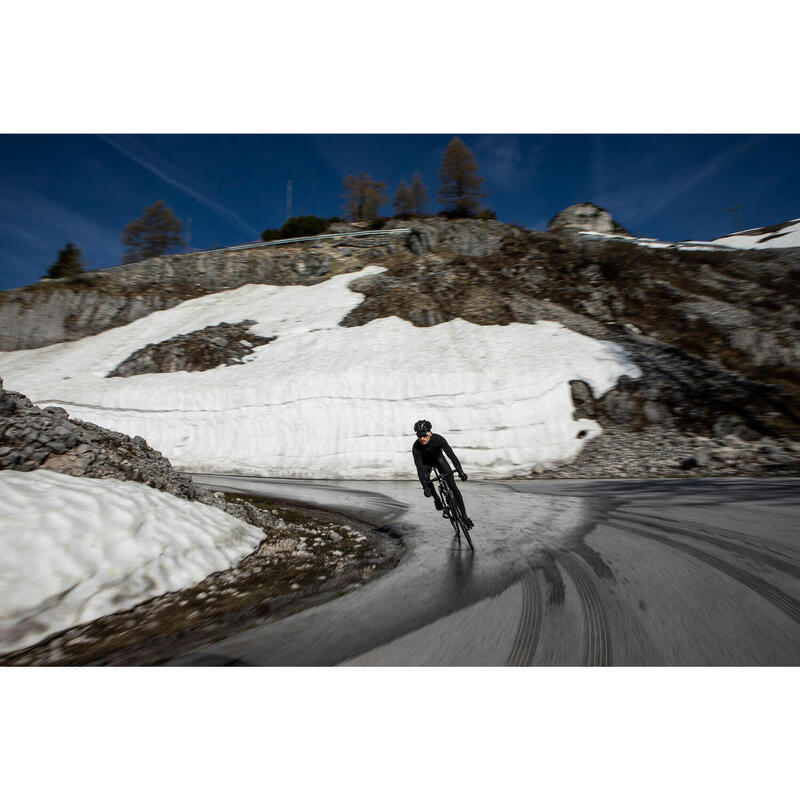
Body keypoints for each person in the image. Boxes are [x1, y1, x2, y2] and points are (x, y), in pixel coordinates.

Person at [412, 419, 474, 529]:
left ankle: (465, 517)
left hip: (439, 460)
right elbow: (420, 469)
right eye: (419, 435)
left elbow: (451, 455)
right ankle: (437, 499)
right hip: (425, 464)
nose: (422, 438)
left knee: (453, 488)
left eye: (424, 435)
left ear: (430, 433)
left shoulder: (438, 439)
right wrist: (425, 487)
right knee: (426, 478)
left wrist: (460, 471)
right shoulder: (416, 447)